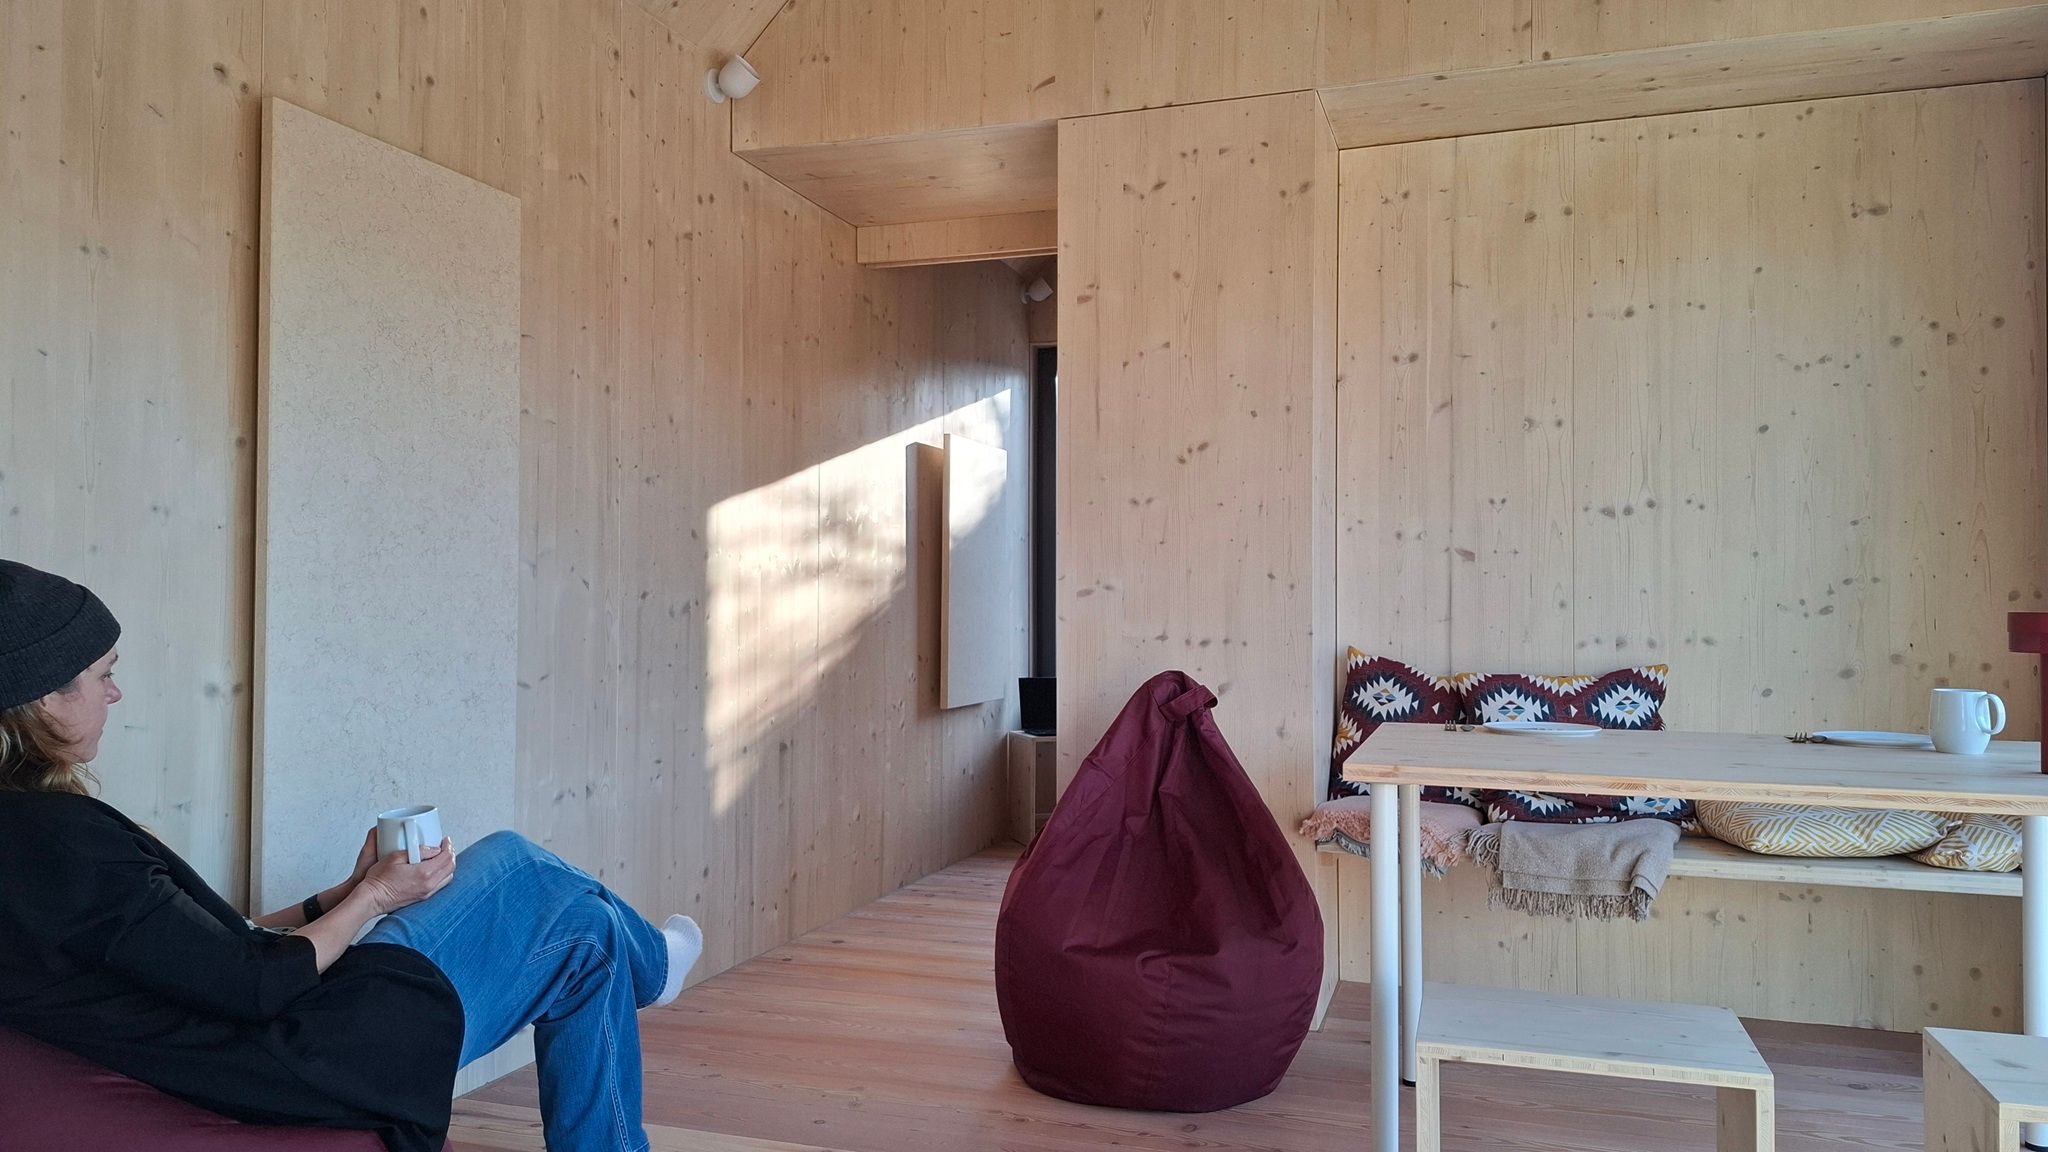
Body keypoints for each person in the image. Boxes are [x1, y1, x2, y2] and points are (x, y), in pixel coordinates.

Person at [0, 559, 703, 1152]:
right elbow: (250, 983)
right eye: (102, 675)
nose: (116, 692)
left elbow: (211, 946)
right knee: (521, 868)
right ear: (42, 697)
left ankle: (647, 962)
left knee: (585, 930)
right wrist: (376, 898)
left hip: (266, 1038)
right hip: (302, 1056)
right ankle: (653, 965)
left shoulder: (32, 837)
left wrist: (339, 894)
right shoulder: (61, 843)